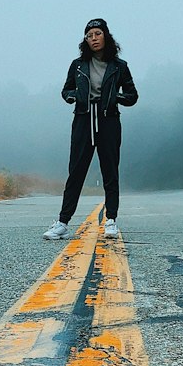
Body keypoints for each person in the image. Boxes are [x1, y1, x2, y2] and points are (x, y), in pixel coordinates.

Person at [43, 18, 138, 241]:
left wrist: (116, 98)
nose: (93, 38)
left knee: (110, 172)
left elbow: (133, 95)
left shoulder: (119, 66)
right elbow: (66, 89)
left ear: (106, 36)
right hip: (83, 120)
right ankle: (62, 223)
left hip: (109, 121)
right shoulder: (78, 65)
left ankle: (111, 221)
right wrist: (72, 96)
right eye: (89, 36)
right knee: (76, 172)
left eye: (97, 34)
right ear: (85, 40)